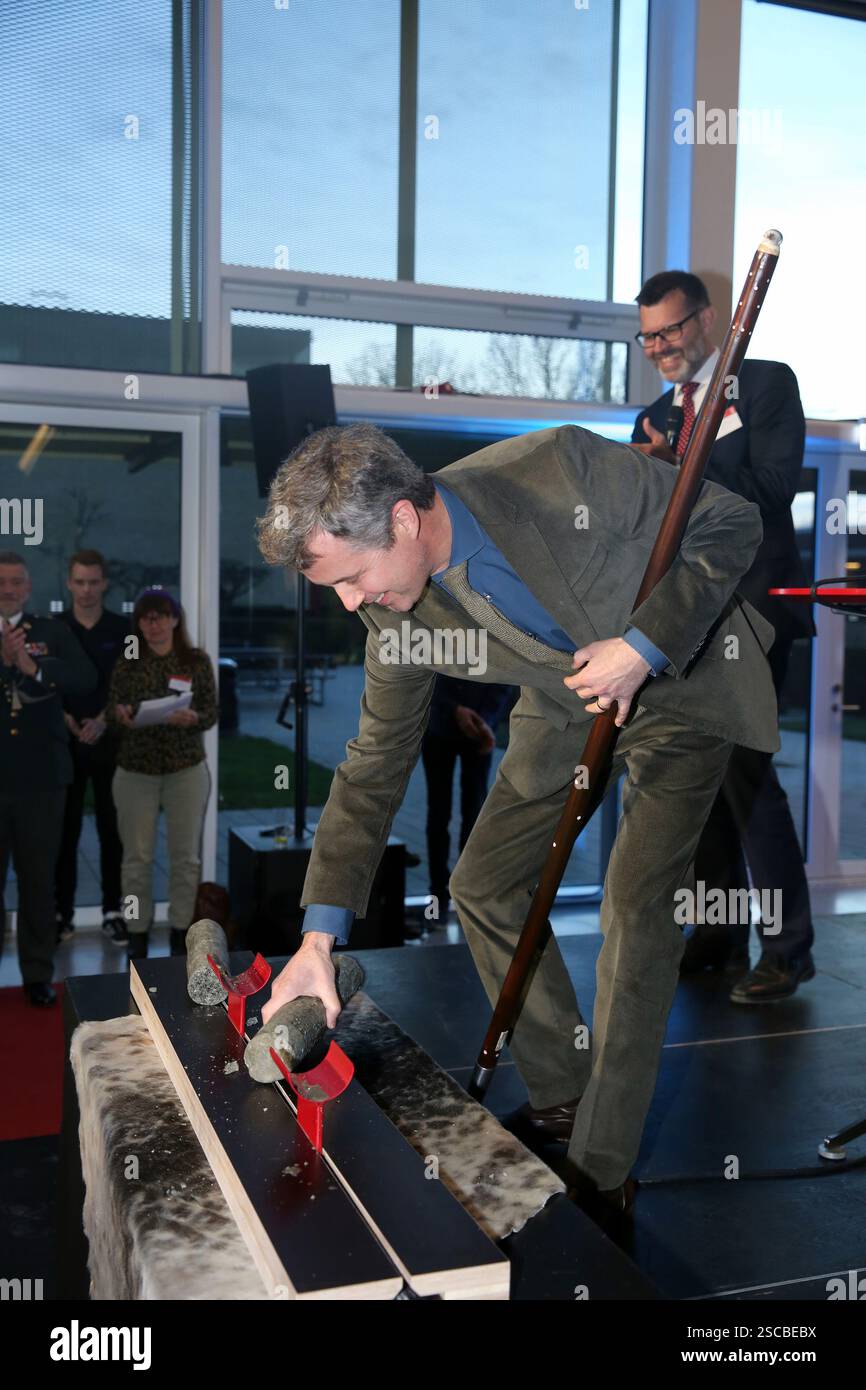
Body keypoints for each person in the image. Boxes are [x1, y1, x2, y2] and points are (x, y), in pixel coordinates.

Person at [253, 421, 778, 1219]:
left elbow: (732, 520)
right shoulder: (391, 612)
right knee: (484, 883)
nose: (351, 602)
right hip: (566, 692)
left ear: (401, 518)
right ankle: (564, 1090)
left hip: (678, 682)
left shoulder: (557, 470)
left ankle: (603, 1169)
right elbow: (372, 762)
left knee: (635, 908)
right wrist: (317, 940)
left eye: (353, 576)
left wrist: (643, 644)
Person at [632, 270, 815, 1003]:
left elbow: (776, 489)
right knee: (695, 778)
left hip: (756, 613)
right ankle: (714, 934)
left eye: (670, 330)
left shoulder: (765, 384)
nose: (660, 346)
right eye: (648, 336)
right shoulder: (654, 414)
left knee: (745, 774)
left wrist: (677, 468)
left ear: (706, 321)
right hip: (685, 620)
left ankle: (787, 949)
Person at [0, 551, 96, 1005]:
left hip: (42, 780)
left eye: (16, 582)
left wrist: (33, 667)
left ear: (29, 588)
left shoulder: (51, 631)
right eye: (1, 581)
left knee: (39, 880)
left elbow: (84, 678)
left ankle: (37, 974)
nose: (8, 589)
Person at [106, 587, 217, 959]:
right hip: (136, 771)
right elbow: (112, 711)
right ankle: (136, 934)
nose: (151, 625)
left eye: (159, 617)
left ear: (174, 619)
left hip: (184, 770)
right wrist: (120, 716)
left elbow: (212, 712)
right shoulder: (129, 659)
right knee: (136, 858)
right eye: (144, 618)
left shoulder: (196, 661)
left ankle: (179, 934)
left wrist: (194, 717)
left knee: (185, 859)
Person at [55, 549, 130, 946]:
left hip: (108, 743)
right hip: (64, 746)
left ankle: (113, 911)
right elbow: (45, 682)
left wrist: (103, 719)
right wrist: (66, 718)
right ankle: (61, 913)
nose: (86, 590)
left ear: (104, 584)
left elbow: (130, 684)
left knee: (110, 831)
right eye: (79, 582)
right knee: (63, 833)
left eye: (93, 582)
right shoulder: (54, 628)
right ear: (69, 583)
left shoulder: (122, 629)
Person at [421, 675, 514, 924]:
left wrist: (484, 721)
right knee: (438, 814)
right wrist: (454, 709)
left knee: (474, 814)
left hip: (480, 729)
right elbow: (424, 671)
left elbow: (504, 678)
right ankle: (438, 895)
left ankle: (468, 894)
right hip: (439, 726)